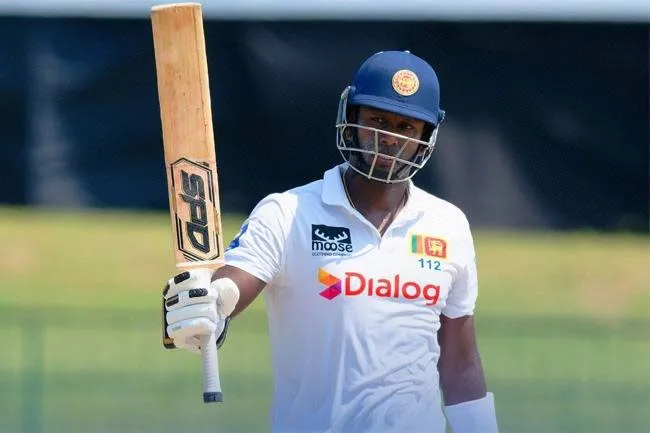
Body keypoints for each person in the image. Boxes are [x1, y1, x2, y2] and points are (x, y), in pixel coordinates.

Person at [162, 50, 499, 433]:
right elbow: (232, 285)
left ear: (425, 136)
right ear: (351, 118)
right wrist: (210, 301)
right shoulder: (288, 213)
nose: (389, 139)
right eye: (378, 120)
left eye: (405, 127)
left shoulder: (448, 225)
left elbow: (459, 364)